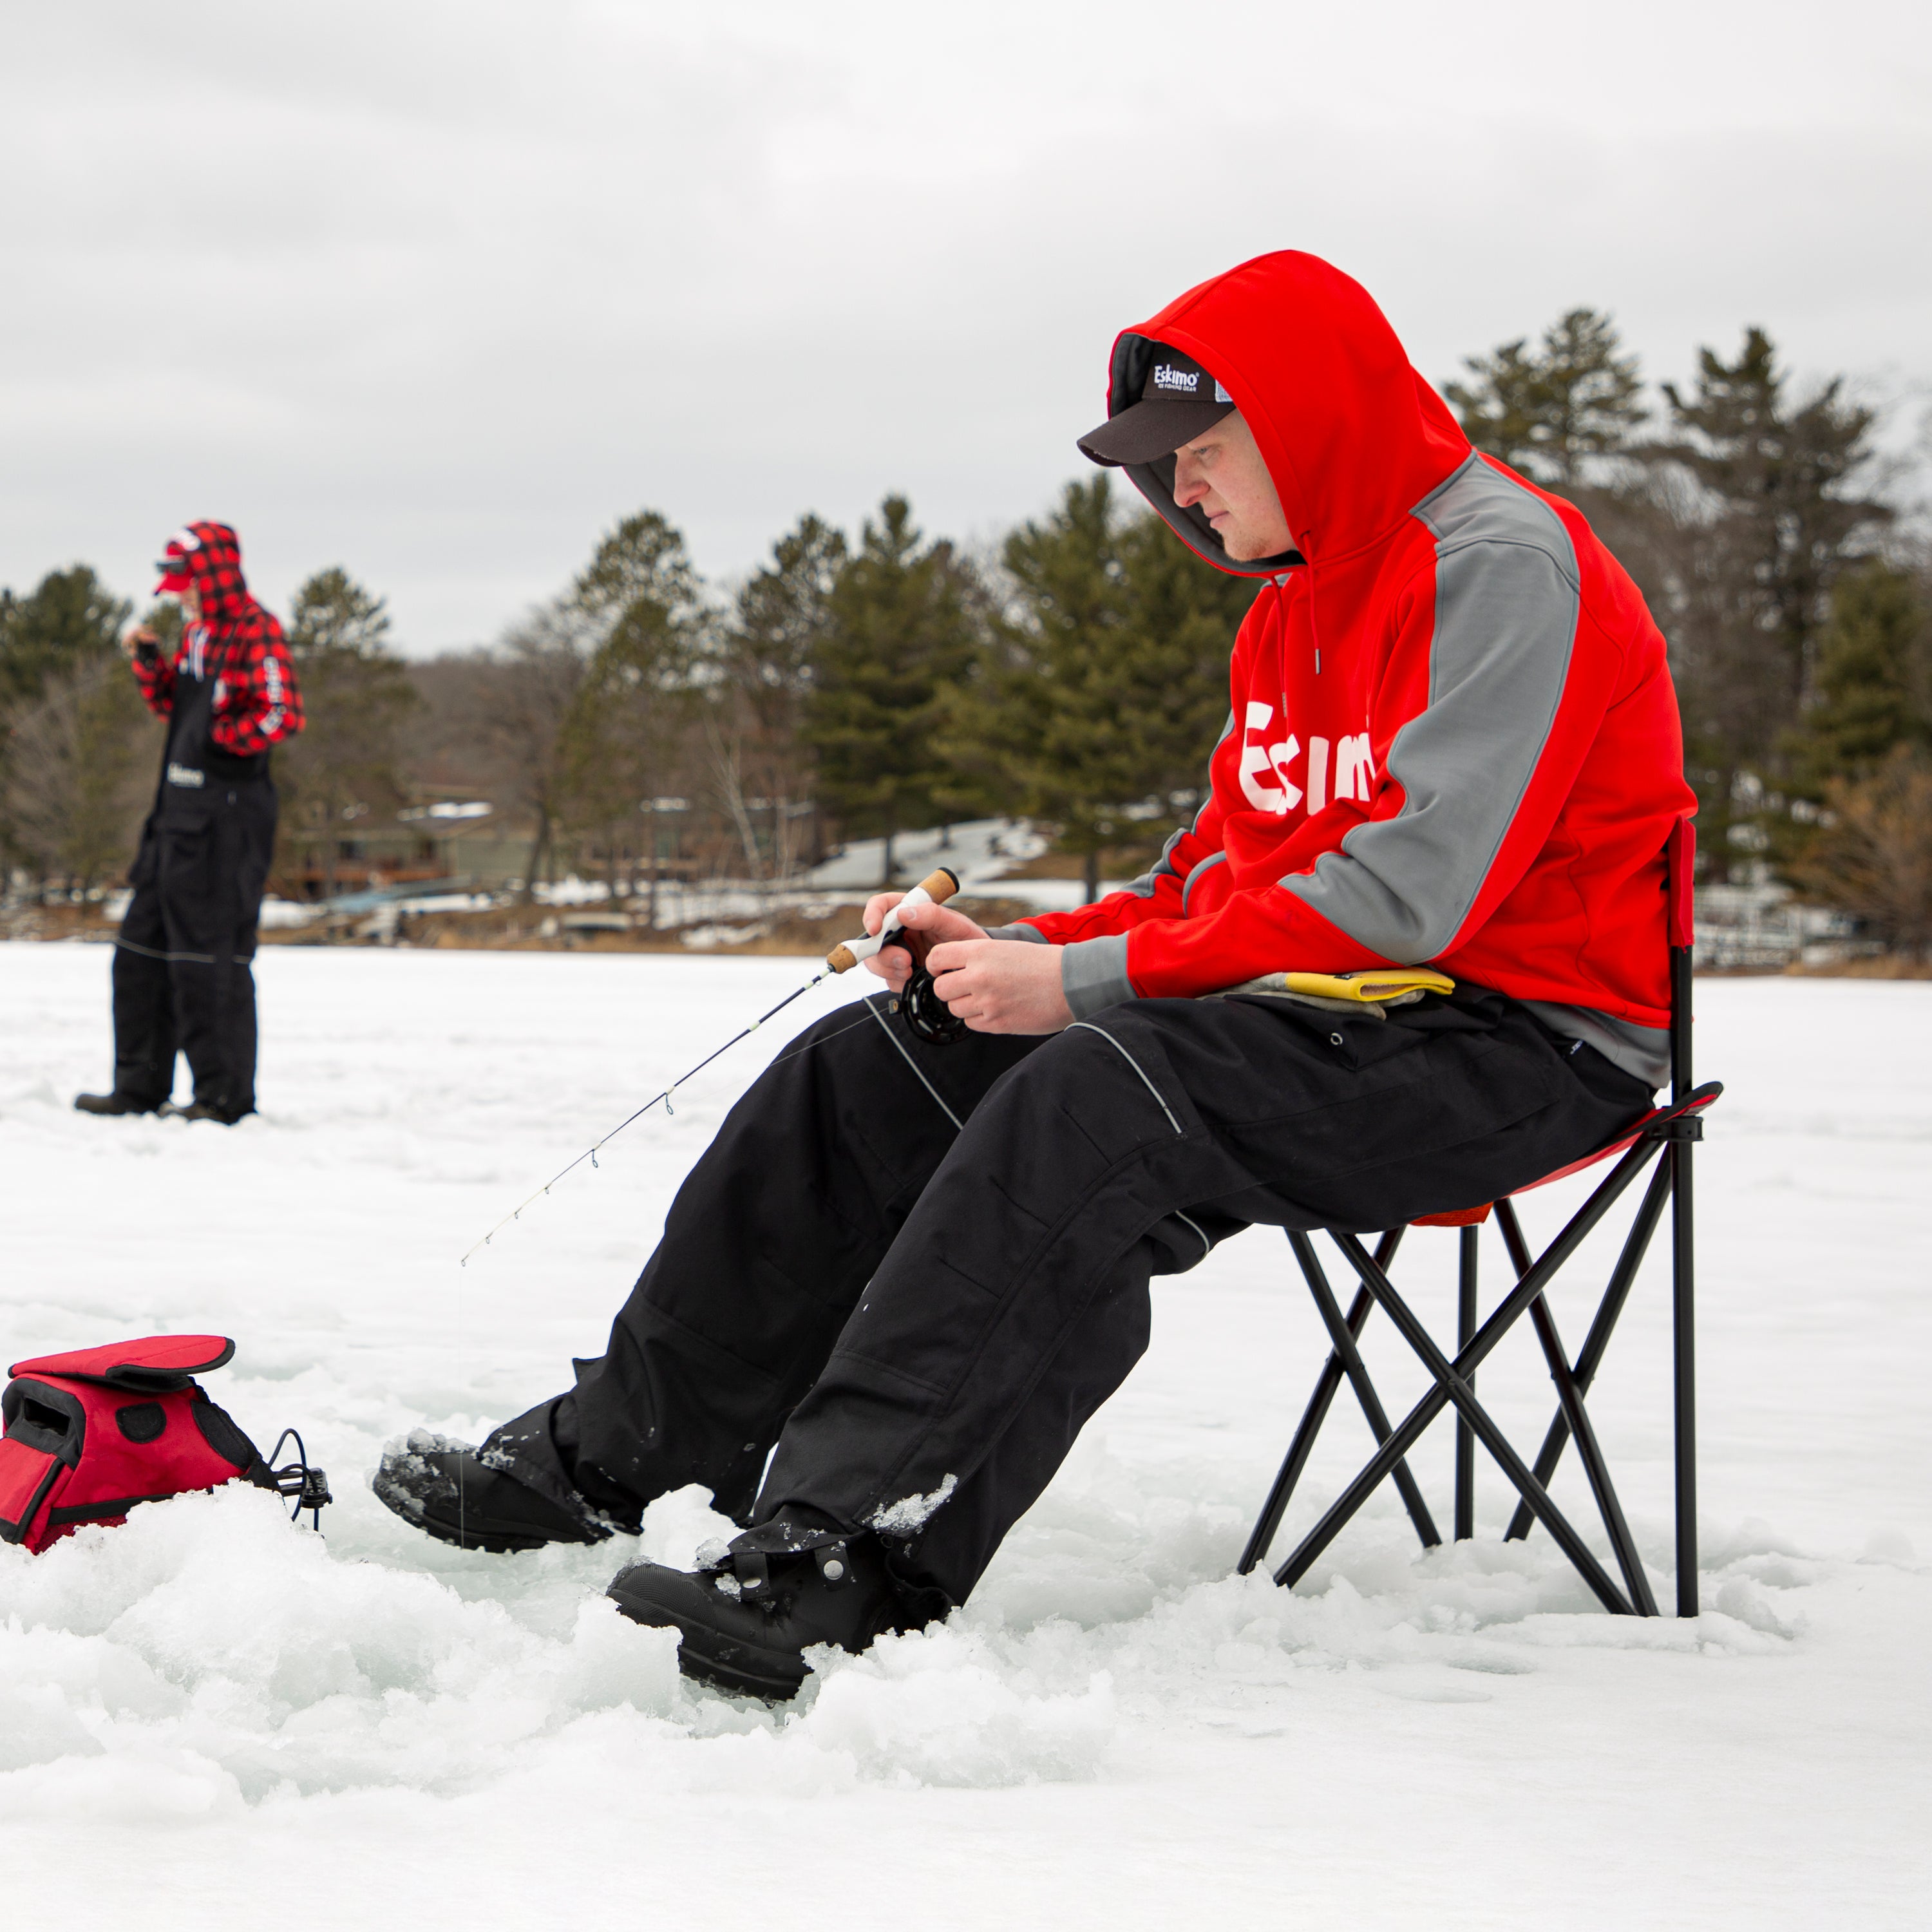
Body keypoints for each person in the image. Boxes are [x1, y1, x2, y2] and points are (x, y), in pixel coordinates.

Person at [375, 251, 1696, 1700]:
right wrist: (1011, 954)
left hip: (1525, 1041)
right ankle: (618, 1460)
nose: (1181, 488)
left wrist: (1086, 992)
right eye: (1164, 464)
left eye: (1203, 450)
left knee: (1098, 1095)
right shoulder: (1290, 612)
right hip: (1323, 1015)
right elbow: (1206, 888)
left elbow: (1405, 901)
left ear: (1309, 417)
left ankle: (850, 1550)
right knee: (880, 1060)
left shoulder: (1498, 568)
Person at [75, 522, 303, 1124]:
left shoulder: (256, 629)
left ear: (213, 578)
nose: (181, 598)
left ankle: (222, 1099)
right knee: (139, 953)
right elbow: (173, 708)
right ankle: (138, 1088)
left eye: (187, 585)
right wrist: (152, 666)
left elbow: (281, 713)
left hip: (226, 824)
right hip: (173, 819)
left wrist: (222, 738)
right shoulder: (197, 634)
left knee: (207, 961)